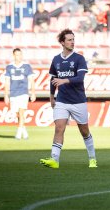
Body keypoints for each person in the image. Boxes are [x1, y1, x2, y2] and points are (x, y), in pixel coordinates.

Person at [40, 29, 97, 169]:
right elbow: (53, 79)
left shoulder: (79, 58)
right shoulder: (56, 59)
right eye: (69, 39)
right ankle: (54, 160)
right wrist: (52, 97)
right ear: (62, 42)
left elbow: (80, 78)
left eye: (73, 39)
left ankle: (92, 158)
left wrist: (64, 81)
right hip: (62, 101)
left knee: (84, 131)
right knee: (59, 128)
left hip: (78, 101)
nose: (72, 42)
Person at [4, 48, 36, 140]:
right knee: (17, 115)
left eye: (20, 54)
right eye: (17, 55)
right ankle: (24, 131)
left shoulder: (27, 66)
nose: (19, 57)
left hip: (23, 93)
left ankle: (18, 133)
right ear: (14, 56)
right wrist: (6, 95)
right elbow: (7, 82)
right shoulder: (9, 67)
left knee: (22, 113)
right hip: (13, 93)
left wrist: (33, 93)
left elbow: (32, 80)